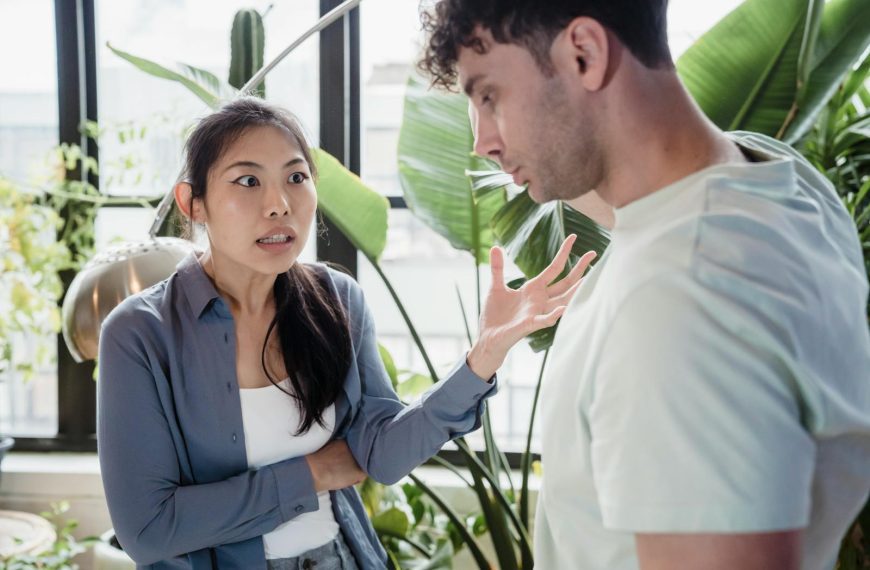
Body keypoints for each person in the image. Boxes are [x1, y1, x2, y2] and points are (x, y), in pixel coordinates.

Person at [419, 1, 870, 569]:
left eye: (489, 96)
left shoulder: (678, 299)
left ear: (584, 53)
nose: (481, 141)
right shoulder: (775, 178)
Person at [97, 97, 595, 569]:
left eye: (296, 177)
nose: (279, 205)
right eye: (247, 181)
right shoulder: (140, 335)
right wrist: (312, 473)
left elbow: (381, 453)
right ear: (193, 203)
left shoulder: (336, 299)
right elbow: (150, 529)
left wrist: (483, 356)